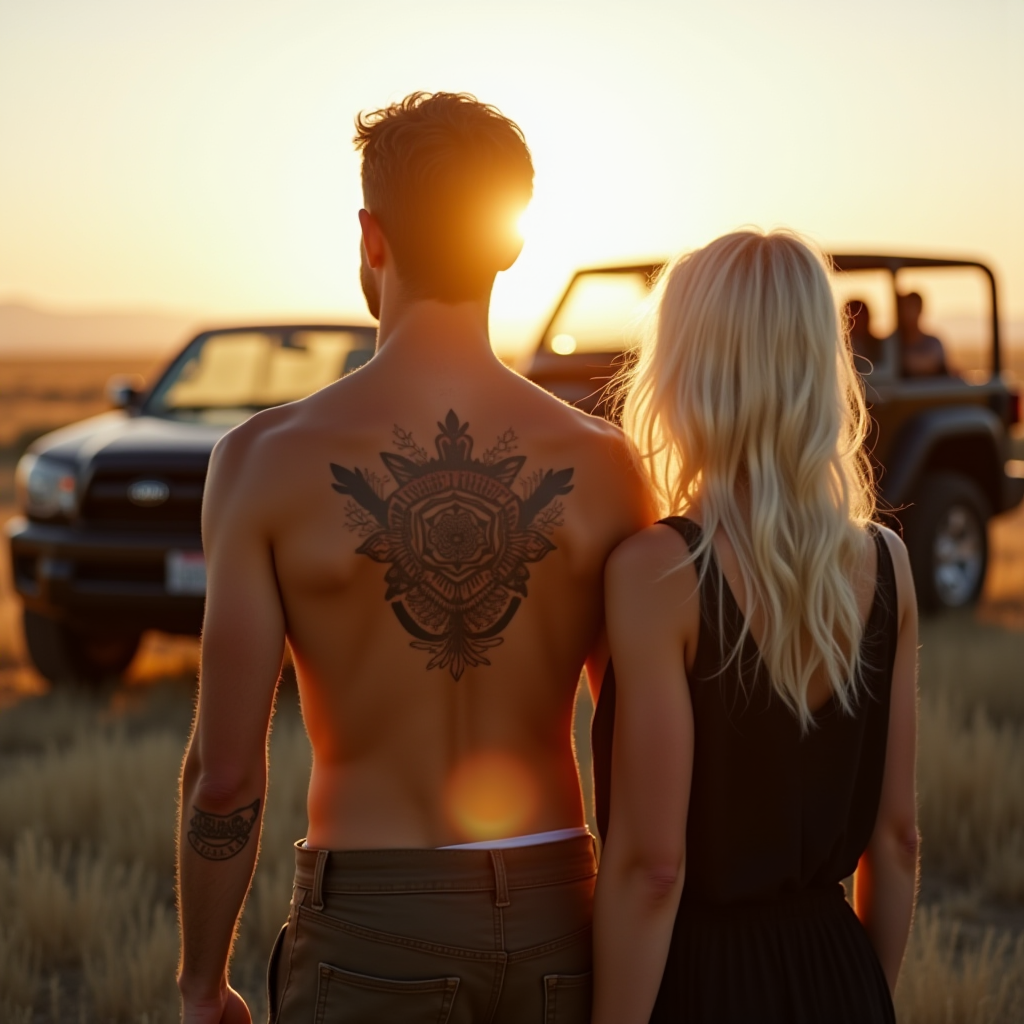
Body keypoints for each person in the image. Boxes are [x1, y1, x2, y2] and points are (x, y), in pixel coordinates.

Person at [175, 91, 651, 1024]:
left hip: (370, 932)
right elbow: (637, 748)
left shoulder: (264, 462)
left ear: (371, 237)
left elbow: (225, 776)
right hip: (563, 914)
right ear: (509, 245)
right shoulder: (604, 466)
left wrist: (201, 982)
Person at [591, 230, 920, 1023]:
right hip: (839, 966)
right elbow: (899, 839)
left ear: (683, 368)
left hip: (701, 982)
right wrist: (859, 991)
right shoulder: (890, 561)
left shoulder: (657, 571)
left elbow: (653, 869)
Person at [898, 290, 947, 376]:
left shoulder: (934, 344)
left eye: (911, 307)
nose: (907, 313)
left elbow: (945, 375)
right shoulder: (894, 346)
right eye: (904, 308)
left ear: (920, 309)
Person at [845, 297, 882, 367]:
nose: (858, 319)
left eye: (862, 314)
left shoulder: (880, 345)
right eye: (853, 315)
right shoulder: (840, 348)